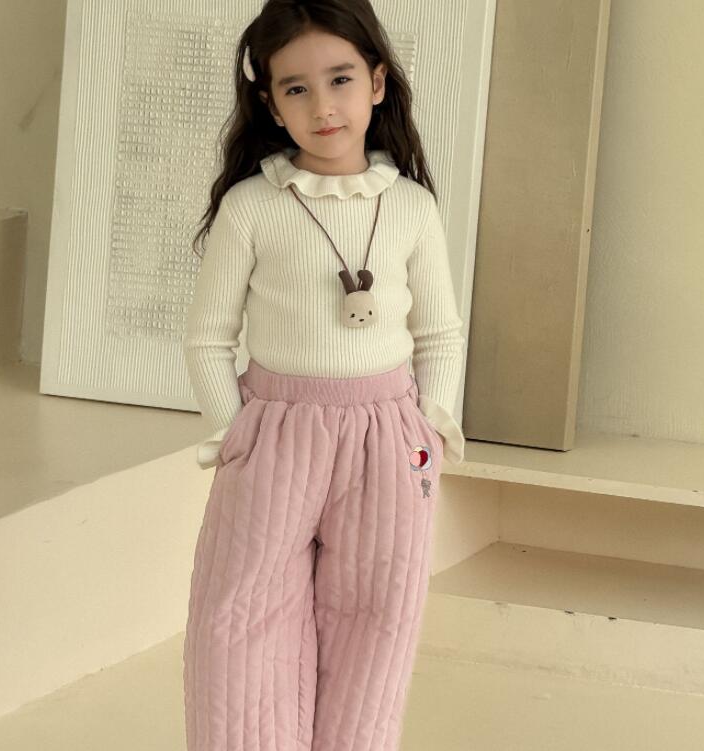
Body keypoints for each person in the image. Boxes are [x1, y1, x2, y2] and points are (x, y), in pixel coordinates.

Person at [182, 1, 466, 749]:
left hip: (390, 436)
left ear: (377, 82)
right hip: (274, 431)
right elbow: (208, 338)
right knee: (239, 616)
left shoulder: (411, 208)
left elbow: (440, 333)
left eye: (340, 79)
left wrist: (430, 430)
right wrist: (234, 433)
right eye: (296, 88)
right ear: (270, 104)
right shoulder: (252, 208)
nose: (323, 106)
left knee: (378, 619)